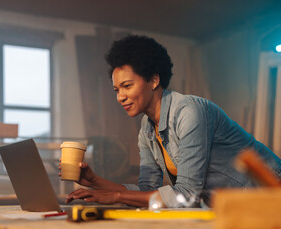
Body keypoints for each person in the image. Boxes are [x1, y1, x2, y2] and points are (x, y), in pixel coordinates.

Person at [63, 35, 281, 208]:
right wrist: (96, 183)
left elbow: (187, 196)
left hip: (270, 194)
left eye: (127, 86)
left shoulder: (189, 112)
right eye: (116, 89)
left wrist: (115, 196)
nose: (120, 96)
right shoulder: (147, 130)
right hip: (237, 206)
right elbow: (147, 190)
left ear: (153, 80)